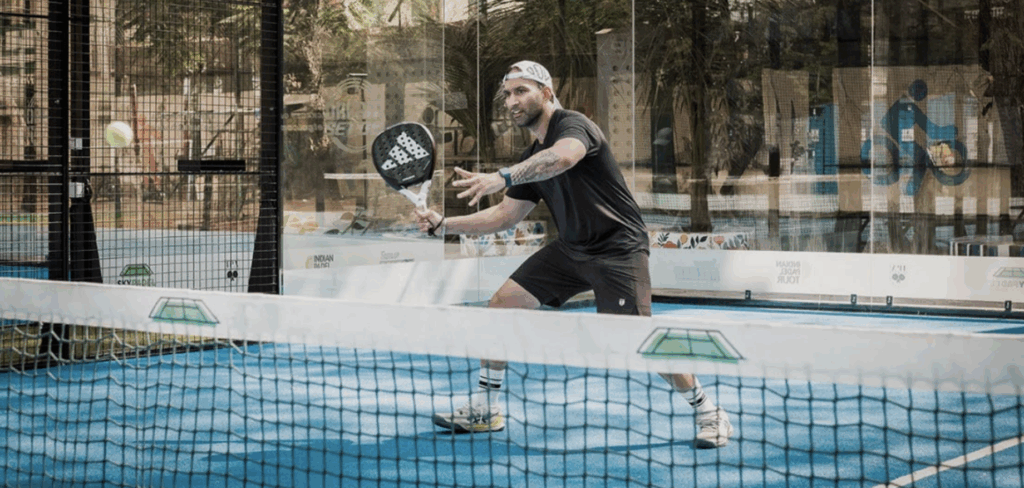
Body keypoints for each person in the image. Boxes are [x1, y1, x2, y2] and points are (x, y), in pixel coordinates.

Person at [414, 61, 733, 449]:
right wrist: (445, 225)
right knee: (500, 307)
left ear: (546, 93)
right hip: (571, 249)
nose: (512, 101)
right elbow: (505, 215)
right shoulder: (532, 155)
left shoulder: (573, 125)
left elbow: (564, 157)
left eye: (521, 91)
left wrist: (503, 176)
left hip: (618, 249)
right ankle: (486, 407)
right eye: (508, 94)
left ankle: (708, 411)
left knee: (638, 340)